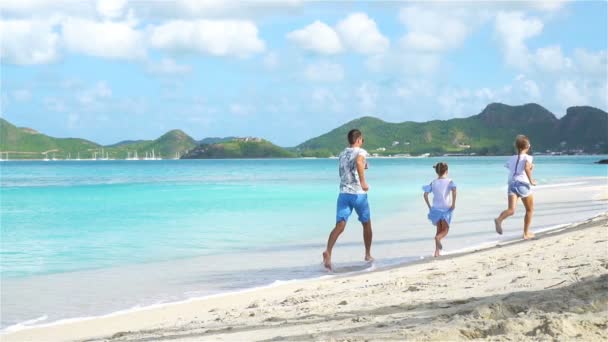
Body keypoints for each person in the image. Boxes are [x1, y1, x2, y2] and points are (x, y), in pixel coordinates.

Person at [322, 129, 373, 271]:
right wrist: (363, 181)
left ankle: (328, 252)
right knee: (366, 224)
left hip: (343, 194)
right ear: (359, 140)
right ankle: (368, 254)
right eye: (362, 140)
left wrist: (364, 165)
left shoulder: (342, 153)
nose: (362, 142)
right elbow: (358, 161)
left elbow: (353, 166)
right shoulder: (361, 152)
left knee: (340, 226)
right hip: (358, 194)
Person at [494, 135, 537, 239]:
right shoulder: (528, 157)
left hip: (511, 184)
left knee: (511, 210)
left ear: (517, 147)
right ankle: (526, 233)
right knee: (530, 210)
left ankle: (499, 219)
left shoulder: (512, 158)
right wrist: (531, 180)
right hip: (522, 184)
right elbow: (526, 168)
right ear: (527, 146)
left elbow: (512, 169)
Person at [423, 162, 457, 257]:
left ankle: (436, 252)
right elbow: (454, 191)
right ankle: (437, 239)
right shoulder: (450, 181)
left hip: (436, 209)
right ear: (446, 171)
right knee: (445, 230)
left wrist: (430, 207)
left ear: (437, 172)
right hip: (446, 209)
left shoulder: (433, 182)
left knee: (438, 229)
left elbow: (425, 195)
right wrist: (453, 203)